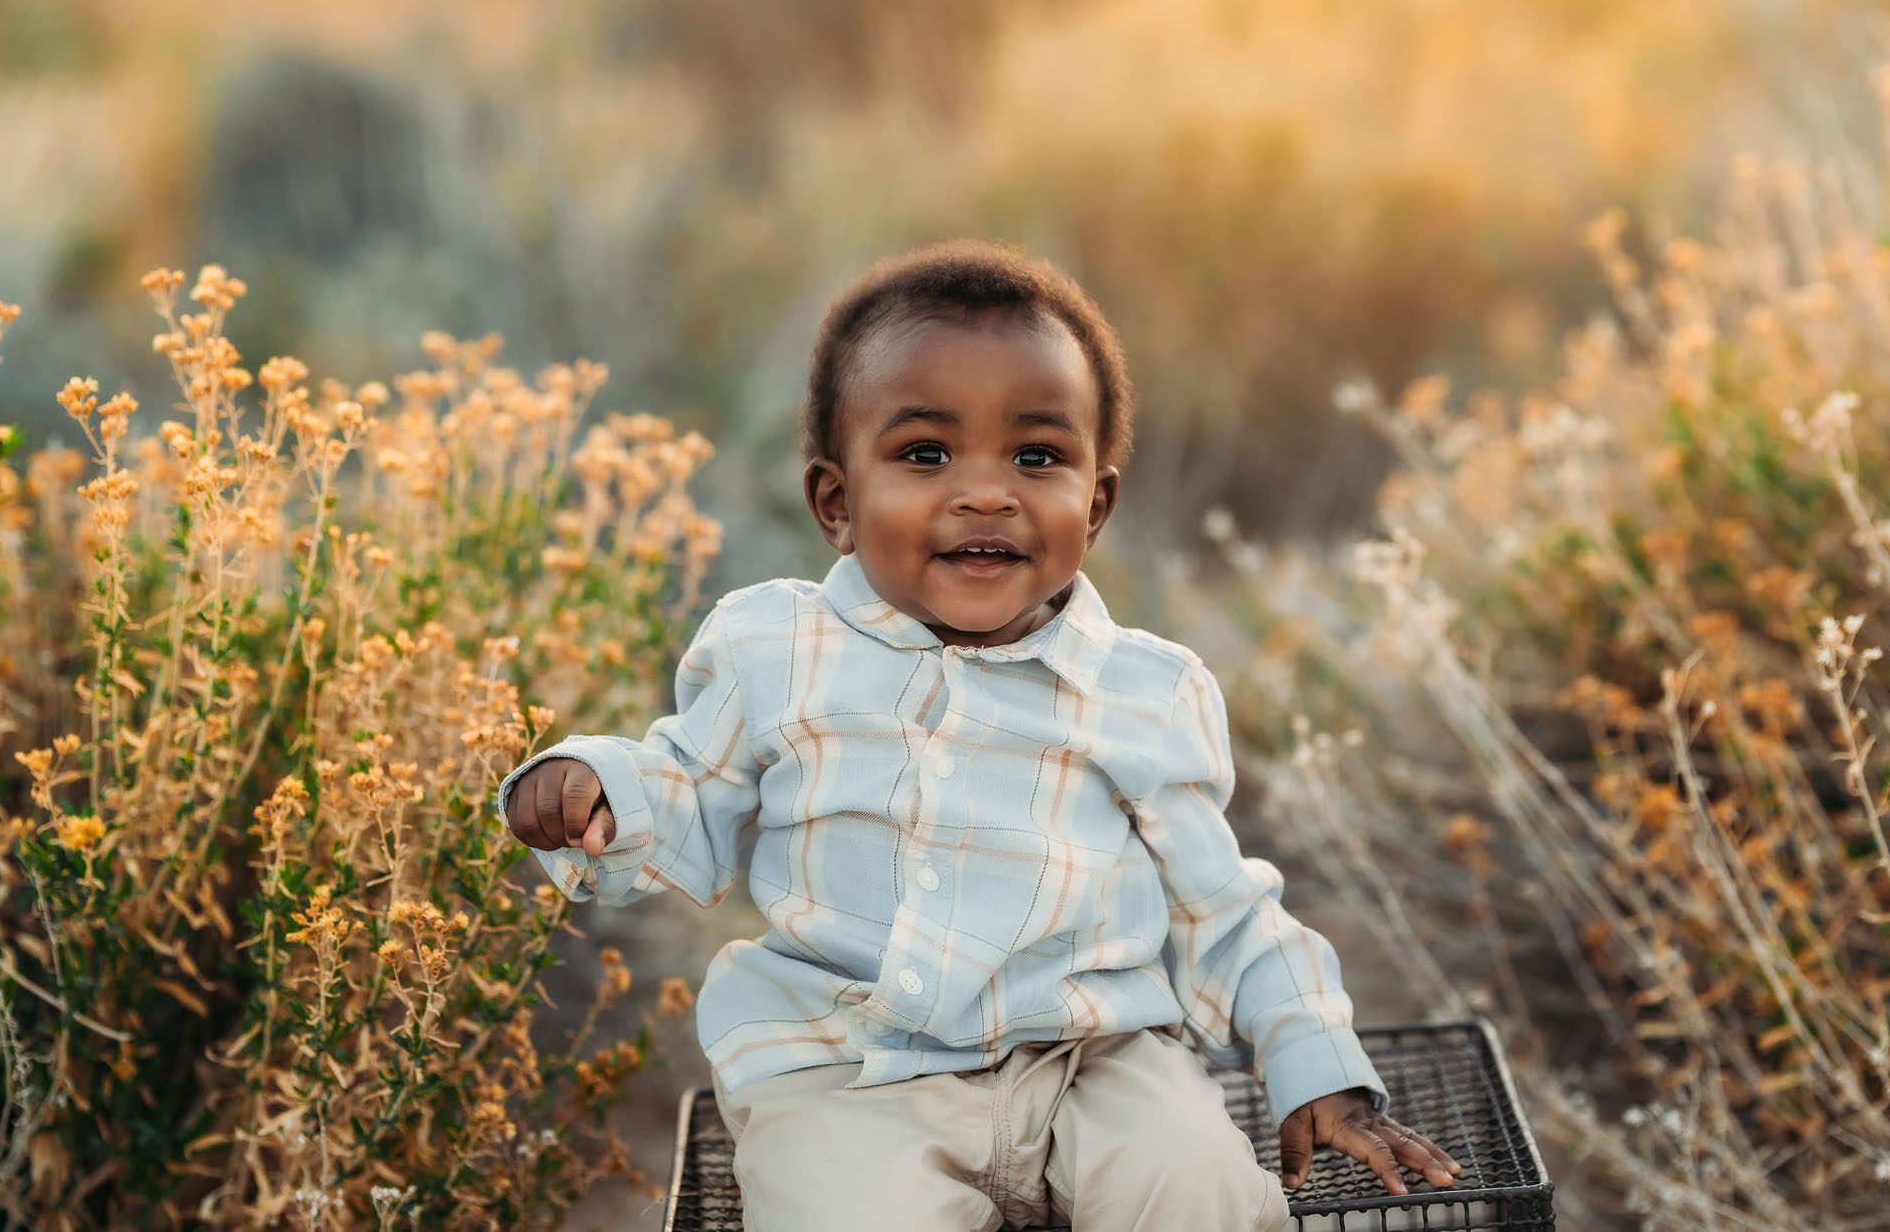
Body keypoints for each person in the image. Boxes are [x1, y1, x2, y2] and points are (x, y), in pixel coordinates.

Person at [498, 240, 1462, 1230]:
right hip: (847, 1068)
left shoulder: (1145, 690)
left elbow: (1221, 910)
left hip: (1092, 1059)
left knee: (1196, 1181)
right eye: (924, 454)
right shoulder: (772, 646)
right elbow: (686, 786)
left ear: (1094, 504)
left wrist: (1314, 1062)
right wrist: (596, 784)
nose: (985, 491)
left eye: (1035, 456)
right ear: (837, 502)